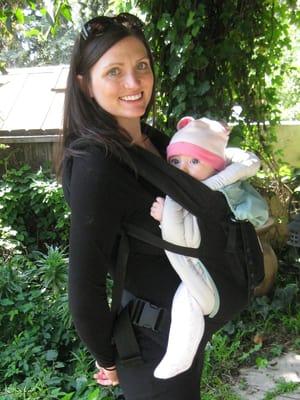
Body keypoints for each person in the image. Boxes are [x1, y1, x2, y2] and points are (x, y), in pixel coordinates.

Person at [59, 12, 265, 400]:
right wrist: (107, 358)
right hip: (150, 345)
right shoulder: (95, 163)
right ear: (86, 85)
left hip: (185, 327)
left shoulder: (155, 143)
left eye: (141, 67)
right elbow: (83, 287)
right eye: (114, 72)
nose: (134, 83)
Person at [150, 116, 269, 379]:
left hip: (213, 276)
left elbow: (192, 235)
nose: (183, 169)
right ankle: (179, 356)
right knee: (187, 300)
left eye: (194, 161)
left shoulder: (216, 193)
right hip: (209, 272)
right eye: (175, 162)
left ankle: (180, 355)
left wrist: (165, 216)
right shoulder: (198, 188)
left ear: (215, 167)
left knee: (187, 301)